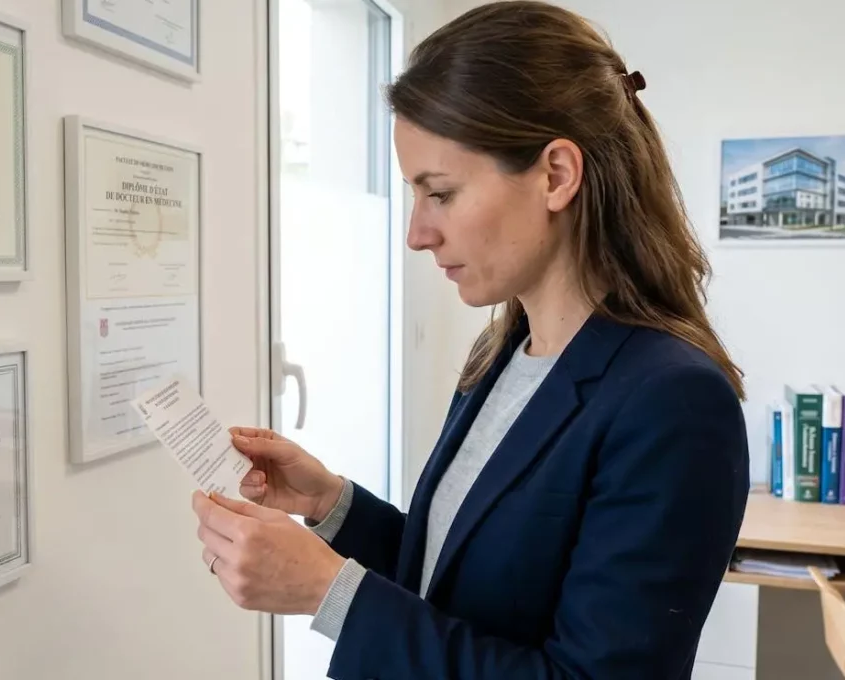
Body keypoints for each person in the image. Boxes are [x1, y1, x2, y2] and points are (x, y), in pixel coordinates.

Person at [190, 2, 750, 678]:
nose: (417, 233)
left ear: (556, 175)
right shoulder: (504, 354)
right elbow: (456, 580)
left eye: (442, 194)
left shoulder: (673, 403)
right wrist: (329, 503)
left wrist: (327, 592)